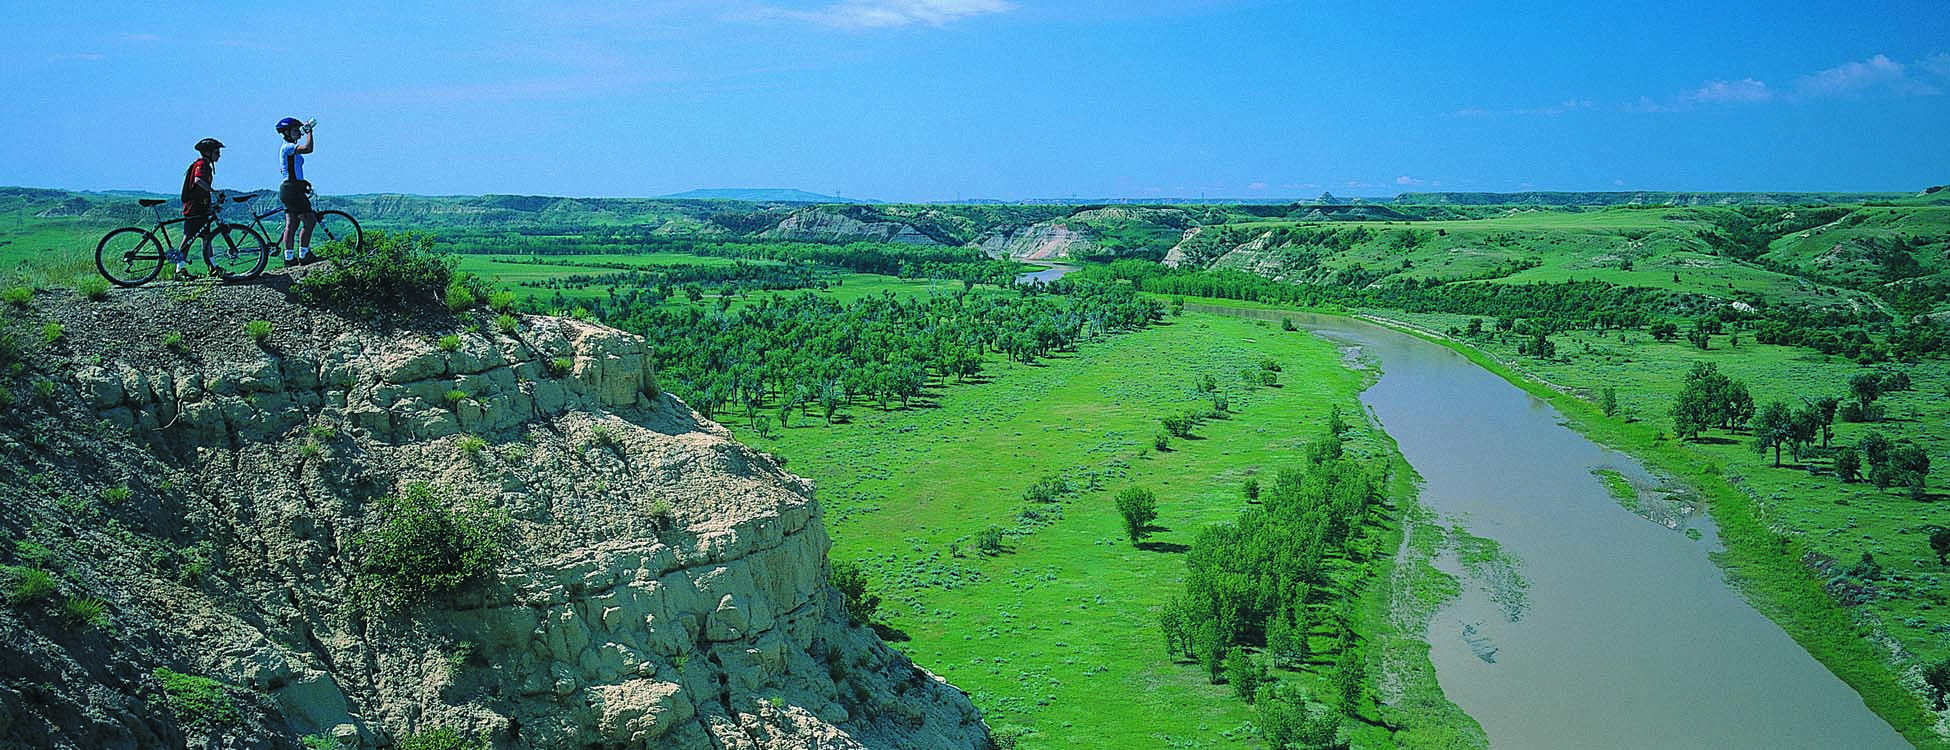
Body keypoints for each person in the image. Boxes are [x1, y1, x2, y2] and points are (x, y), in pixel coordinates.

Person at [174, 138, 224, 278]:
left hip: (201, 207)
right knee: (189, 238)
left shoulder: (206, 165)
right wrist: (214, 191)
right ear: (207, 153)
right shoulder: (201, 164)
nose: (219, 155)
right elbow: (198, 180)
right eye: (216, 152)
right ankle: (179, 269)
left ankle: (212, 267)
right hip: (194, 208)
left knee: (206, 238)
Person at [275, 116, 317, 265]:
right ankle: (304, 254)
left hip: (290, 188)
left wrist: (302, 182)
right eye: (295, 130)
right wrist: (309, 132)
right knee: (310, 221)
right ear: (286, 132)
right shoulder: (288, 147)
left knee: (292, 224)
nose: (298, 132)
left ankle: (289, 258)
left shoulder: (287, 149)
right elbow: (308, 148)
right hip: (292, 189)